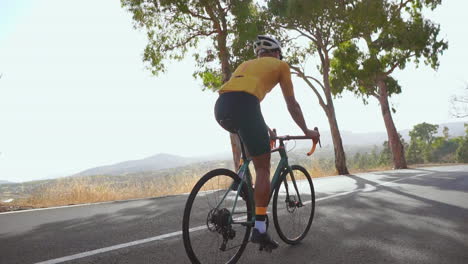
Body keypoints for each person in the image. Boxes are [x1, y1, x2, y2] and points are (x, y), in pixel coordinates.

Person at [214, 35, 320, 251]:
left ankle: (243, 183)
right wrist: (307, 131)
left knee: (251, 156)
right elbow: (292, 105)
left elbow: (244, 102)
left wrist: (266, 130)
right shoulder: (281, 65)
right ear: (277, 52)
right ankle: (260, 228)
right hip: (245, 105)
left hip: (221, 107)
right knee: (263, 167)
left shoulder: (246, 64)